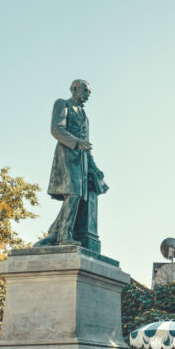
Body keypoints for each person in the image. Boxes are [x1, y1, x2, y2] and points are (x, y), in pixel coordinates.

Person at [35, 79, 108, 247]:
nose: (88, 94)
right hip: (66, 156)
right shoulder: (62, 104)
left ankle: (56, 231)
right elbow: (56, 129)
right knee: (73, 194)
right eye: (85, 90)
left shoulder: (84, 116)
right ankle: (63, 235)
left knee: (76, 197)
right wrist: (75, 142)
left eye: (89, 92)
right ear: (75, 89)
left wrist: (94, 167)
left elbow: (87, 144)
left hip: (81, 161)